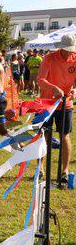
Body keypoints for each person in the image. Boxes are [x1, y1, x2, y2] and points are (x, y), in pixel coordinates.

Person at [38, 34, 76, 184]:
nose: (69, 53)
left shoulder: (75, 58)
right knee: (44, 135)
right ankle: (40, 169)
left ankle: (64, 171)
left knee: (64, 136)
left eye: (71, 50)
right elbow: (40, 80)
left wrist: (75, 90)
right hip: (46, 103)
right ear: (61, 48)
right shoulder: (49, 58)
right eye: (67, 50)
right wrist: (54, 88)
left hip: (66, 104)